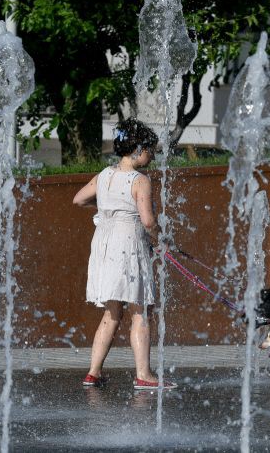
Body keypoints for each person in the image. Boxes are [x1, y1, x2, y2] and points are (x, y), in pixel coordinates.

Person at [72, 118, 176, 390]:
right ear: (137, 150)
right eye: (150, 150)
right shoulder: (139, 180)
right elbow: (149, 221)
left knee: (112, 312)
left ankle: (93, 373)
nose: (152, 155)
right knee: (140, 310)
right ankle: (144, 375)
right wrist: (160, 241)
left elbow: (79, 200)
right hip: (128, 245)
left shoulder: (104, 175)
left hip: (103, 244)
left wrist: (110, 207)